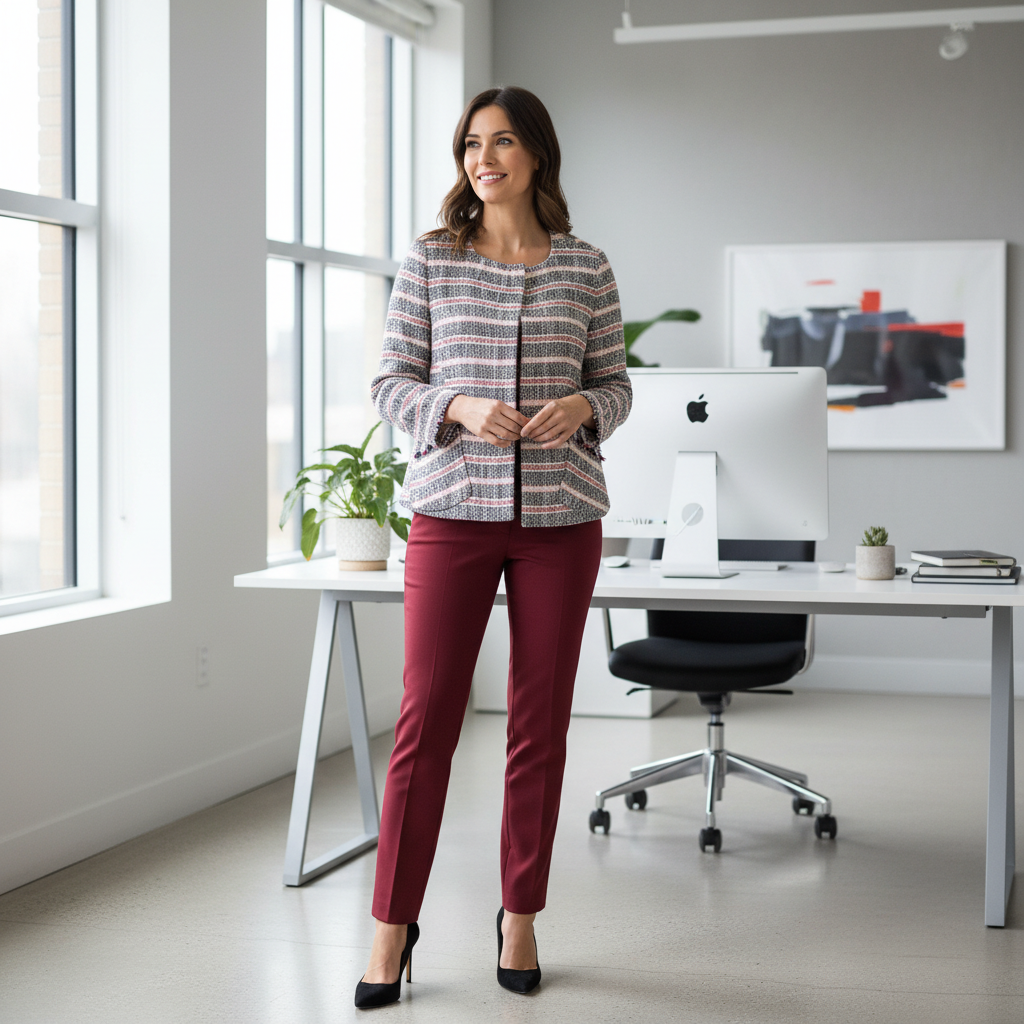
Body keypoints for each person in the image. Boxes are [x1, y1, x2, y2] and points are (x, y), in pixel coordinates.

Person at [354, 86, 632, 1009]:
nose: (484, 158)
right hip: (451, 510)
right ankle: (391, 926)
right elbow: (390, 383)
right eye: (472, 144)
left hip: (562, 516)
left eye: (503, 141)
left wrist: (585, 404)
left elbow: (617, 383)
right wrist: (459, 406)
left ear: (537, 153)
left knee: (537, 725)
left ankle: (520, 914)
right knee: (425, 722)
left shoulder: (586, 267)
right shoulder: (432, 259)